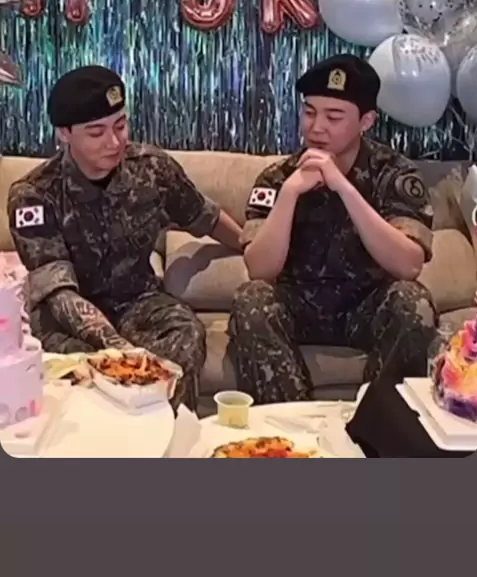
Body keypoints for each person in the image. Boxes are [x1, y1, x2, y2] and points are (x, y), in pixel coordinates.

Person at [8, 65, 243, 410]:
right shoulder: (34, 195)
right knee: (77, 369)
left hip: (138, 301)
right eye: (97, 132)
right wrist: (120, 351)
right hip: (68, 320)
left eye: (120, 125)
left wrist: (252, 247)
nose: (115, 142)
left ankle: (169, 433)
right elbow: (59, 293)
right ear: (64, 133)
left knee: (187, 332)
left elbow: (204, 216)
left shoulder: (151, 168)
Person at [228, 53, 437, 404]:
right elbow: (260, 270)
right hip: (299, 306)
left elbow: (408, 265)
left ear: (366, 121)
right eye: (309, 112)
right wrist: (290, 194)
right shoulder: (278, 178)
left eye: (334, 116)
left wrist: (344, 188)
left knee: (413, 302)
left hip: (366, 308)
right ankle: (291, 421)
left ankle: (378, 419)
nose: (316, 127)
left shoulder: (394, 174)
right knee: (250, 299)